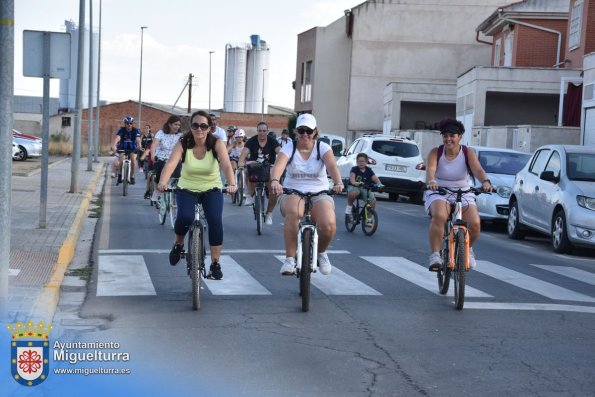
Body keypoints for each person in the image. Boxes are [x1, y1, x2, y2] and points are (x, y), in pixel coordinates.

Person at [158, 110, 236, 280]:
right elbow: (171, 163)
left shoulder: (216, 143)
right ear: (191, 127)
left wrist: (231, 184)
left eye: (203, 126)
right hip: (187, 187)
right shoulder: (183, 142)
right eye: (195, 125)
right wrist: (162, 182)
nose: (199, 129)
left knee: (215, 220)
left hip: (212, 188)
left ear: (209, 128)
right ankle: (178, 244)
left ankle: (215, 263)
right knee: (185, 216)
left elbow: (226, 165)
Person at [269, 113, 344, 276]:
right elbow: (278, 166)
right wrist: (275, 180)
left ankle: (322, 253)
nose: (305, 134)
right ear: (296, 131)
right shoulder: (289, 147)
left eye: (308, 131)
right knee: (295, 212)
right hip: (292, 192)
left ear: (315, 132)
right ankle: (289, 259)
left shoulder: (323, 148)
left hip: (320, 192)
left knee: (328, 223)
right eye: (301, 130)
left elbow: (332, 166)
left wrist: (338, 182)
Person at [424, 117, 493, 272]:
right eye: (445, 135)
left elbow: (478, 170)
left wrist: (485, 182)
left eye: (452, 136)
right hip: (439, 191)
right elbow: (430, 170)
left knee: (475, 223)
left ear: (460, 136)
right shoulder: (436, 152)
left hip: (464, 191)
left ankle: (467, 249)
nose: (448, 139)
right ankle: (435, 255)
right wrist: (432, 181)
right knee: (440, 216)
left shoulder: (468, 152)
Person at [238, 121, 281, 225]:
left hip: (269, 166)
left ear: (267, 131)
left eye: (264, 131)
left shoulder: (273, 141)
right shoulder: (251, 141)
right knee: (249, 169)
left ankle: (269, 213)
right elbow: (243, 155)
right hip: (254, 165)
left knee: (273, 190)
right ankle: (249, 195)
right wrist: (240, 164)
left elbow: (281, 154)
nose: (262, 133)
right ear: (257, 131)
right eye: (260, 131)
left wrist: (281, 164)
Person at [149, 116, 184, 202]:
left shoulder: (180, 135)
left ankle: (174, 189)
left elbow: (184, 148)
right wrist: (153, 156)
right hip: (161, 158)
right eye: (175, 124)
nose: (177, 127)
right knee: (161, 168)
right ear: (169, 124)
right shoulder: (161, 133)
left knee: (178, 173)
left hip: (174, 159)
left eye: (179, 125)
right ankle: (157, 190)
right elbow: (154, 145)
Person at [346, 153, 383, 221]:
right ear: (357, 162)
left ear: (366, 162)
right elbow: (352, 178)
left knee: (373, 200)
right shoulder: (354, 169)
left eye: (363, 161)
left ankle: (368, 217)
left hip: (365, 188)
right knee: (353, 193)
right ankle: (349, 209)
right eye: (359, 161)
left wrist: (380, 185)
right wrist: (355, 183)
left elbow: (375, 179)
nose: (361, 163)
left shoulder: (369, 170)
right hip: (354, 187)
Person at [111, 115, 141, 185]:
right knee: (121, 160)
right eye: (127, 123)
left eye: (131, 123)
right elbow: (118, 137)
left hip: (132, 149)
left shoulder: (136, 130)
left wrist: (139, 145)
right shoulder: (121, 130)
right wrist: (114, 145)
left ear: (132, 123)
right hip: (123, 149)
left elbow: (138, 139)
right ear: (125, 123)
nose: (129, 125)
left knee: (133, 160)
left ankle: (132, 176)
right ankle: (120, 174)